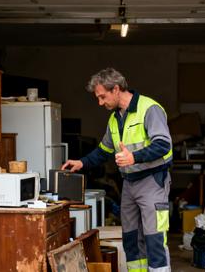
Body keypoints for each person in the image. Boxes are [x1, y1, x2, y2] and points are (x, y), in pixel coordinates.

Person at [61, 67, 173, 272]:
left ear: (117, 89)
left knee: (154, 239)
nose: (100, 102)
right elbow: (104, 150)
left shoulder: (149, 109)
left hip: (152, 182)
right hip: (129, 185)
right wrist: (82, 163)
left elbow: (163, 145)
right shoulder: (114, 119)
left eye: (102, 96)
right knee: (131, 239)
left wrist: (134, 157)